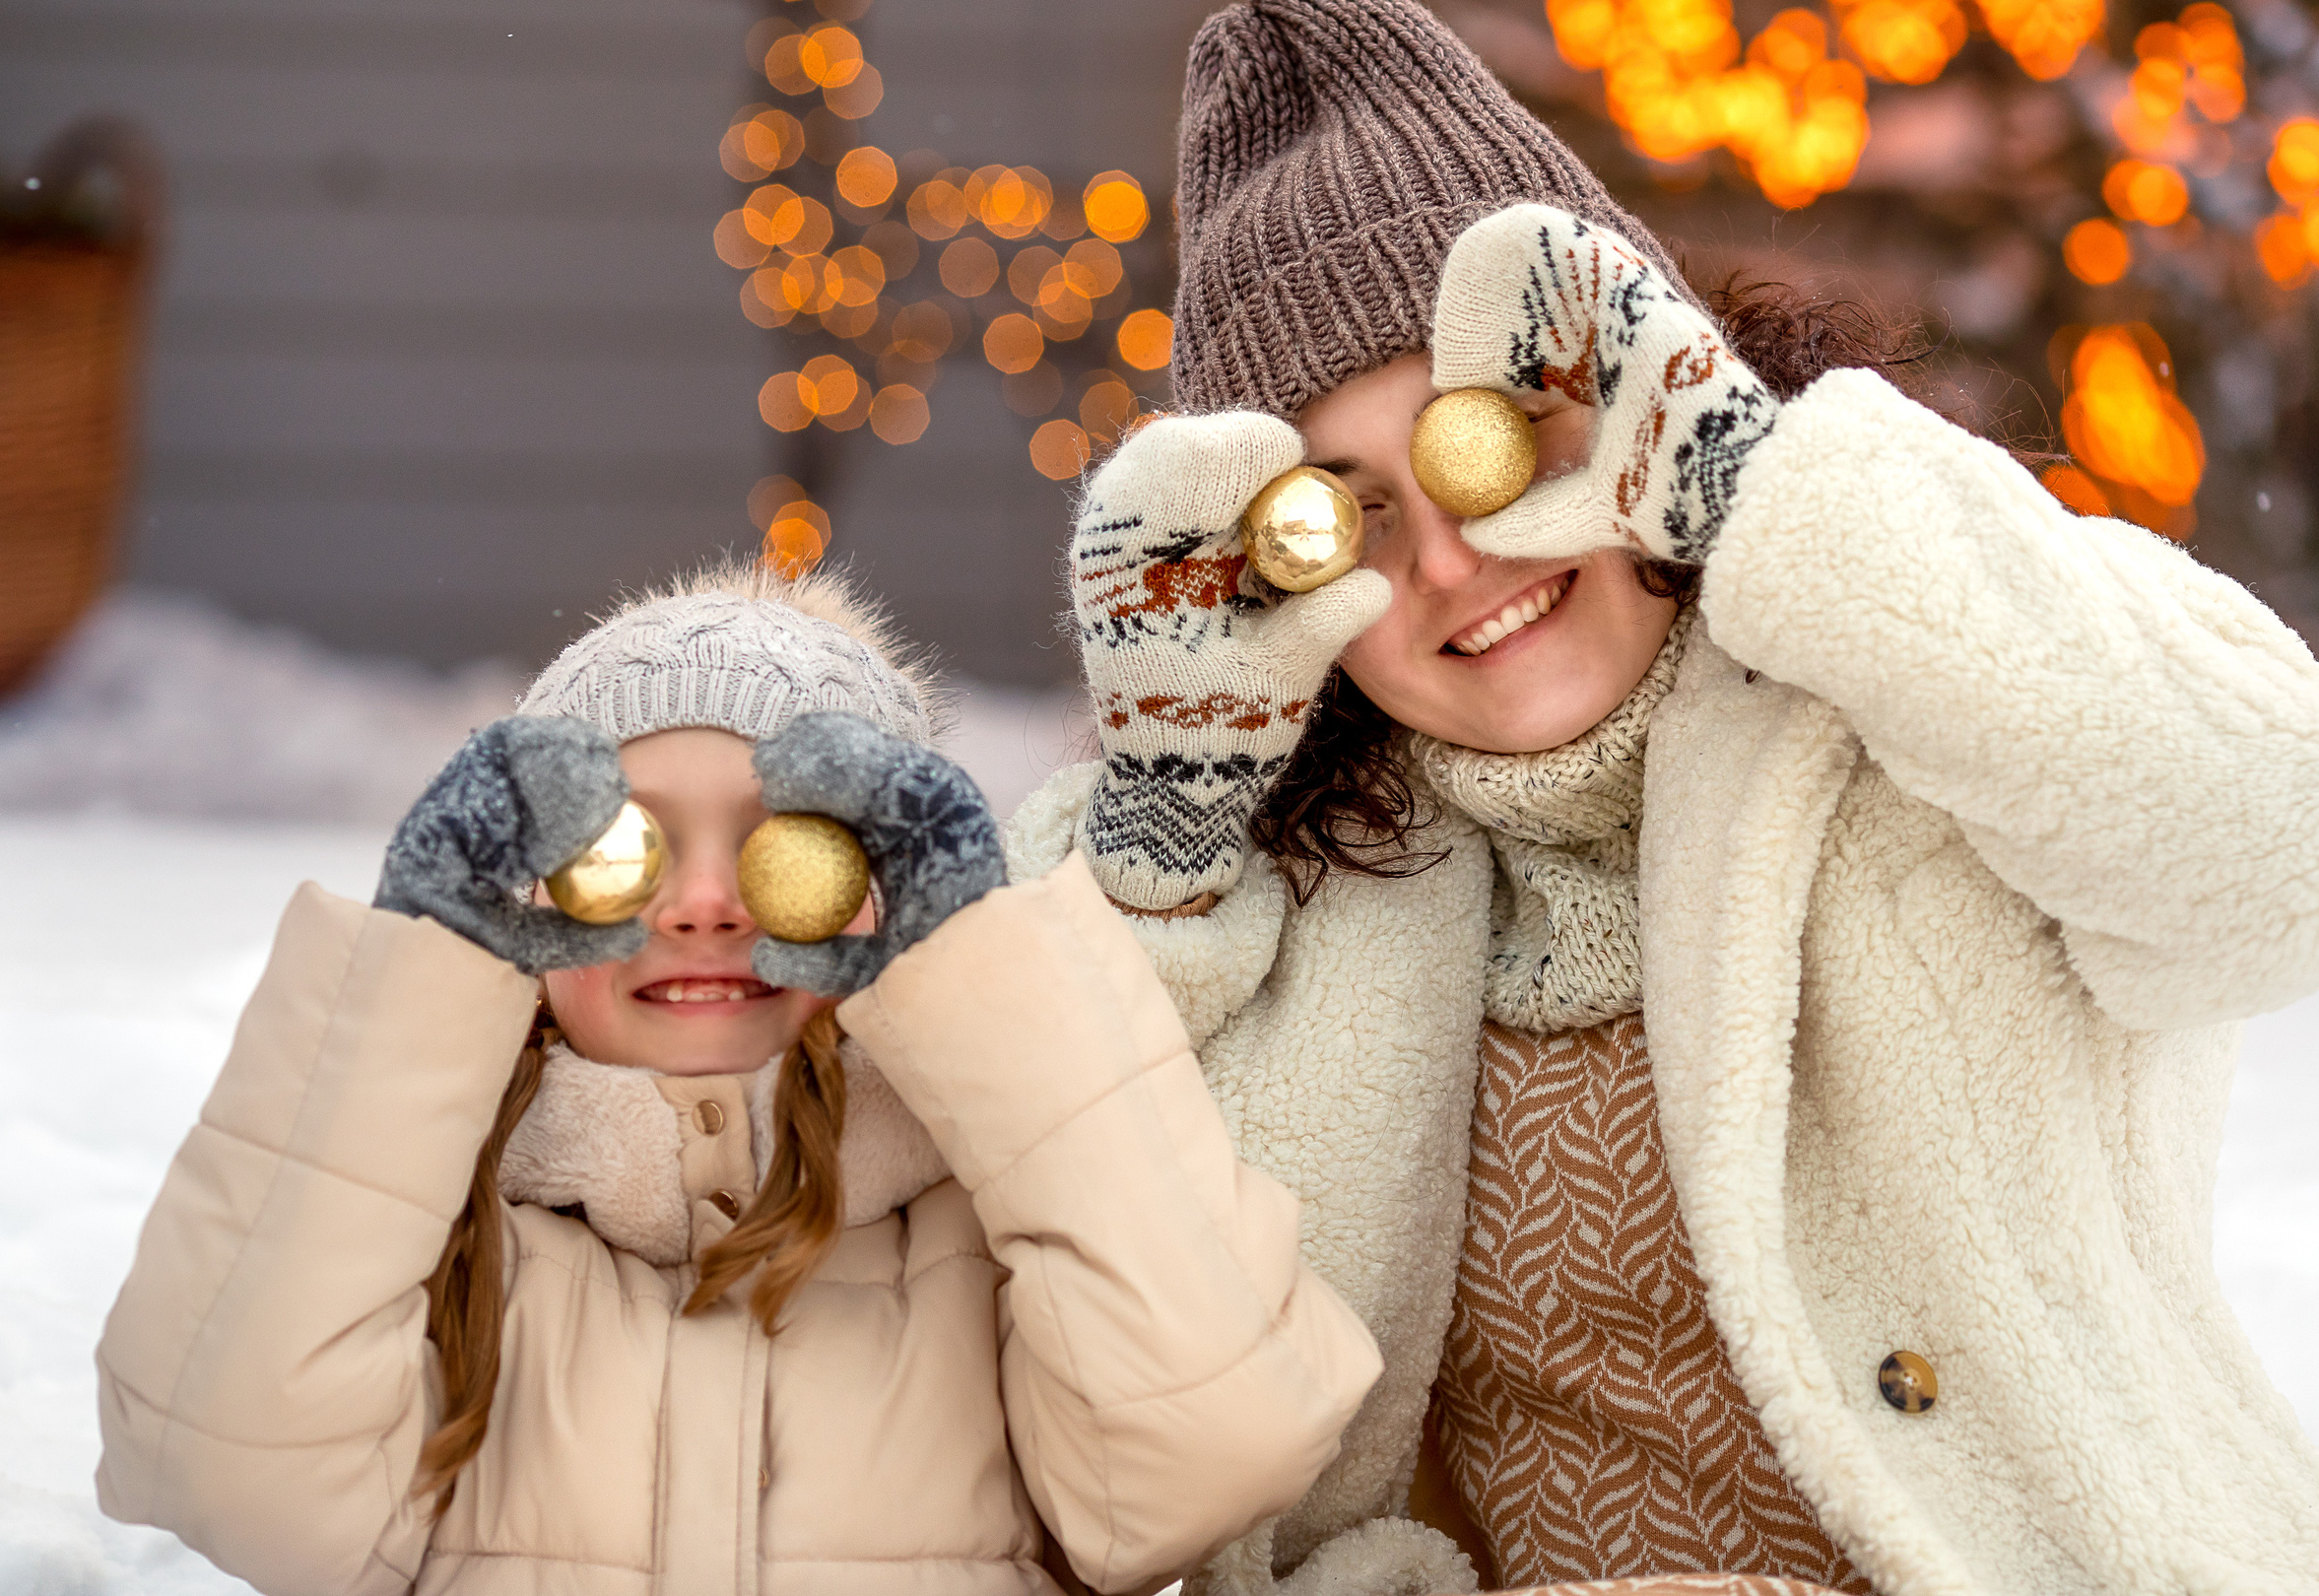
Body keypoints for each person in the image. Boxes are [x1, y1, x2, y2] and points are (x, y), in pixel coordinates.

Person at [1010, 0, 2319, 1596]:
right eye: (1345, 516)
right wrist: (1162, 847)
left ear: (1627, 392)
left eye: (1495, 441)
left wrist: (1766, 494)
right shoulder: (1307, 894)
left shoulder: (1926, 681)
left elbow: (2313, 849)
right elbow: (1097, 1430)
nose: (1453, 560)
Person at [95, 564, 1382, 1595]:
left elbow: (1215, 1452)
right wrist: (413, 981)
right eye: (621, 852)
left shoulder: (995, 1236)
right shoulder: (440, 1240)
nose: (704, 904)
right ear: (523, 915)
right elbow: (233, 1473)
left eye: (792, 852)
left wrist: (994, 977)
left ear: (896, 906)